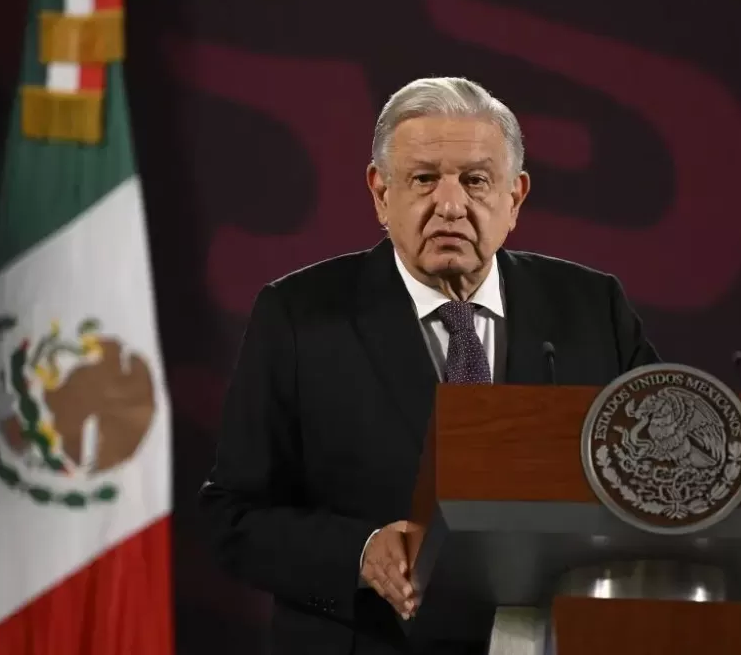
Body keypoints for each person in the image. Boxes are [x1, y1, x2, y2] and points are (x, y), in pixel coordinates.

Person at [199, 76, 662, 655]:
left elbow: (658, 482)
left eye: (475, 181)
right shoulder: (299, 316)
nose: (450, 204)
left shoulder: (594, 309)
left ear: (514, 198)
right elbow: (232, 515)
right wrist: (359, 553)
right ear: (380, 193)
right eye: (424, 179)